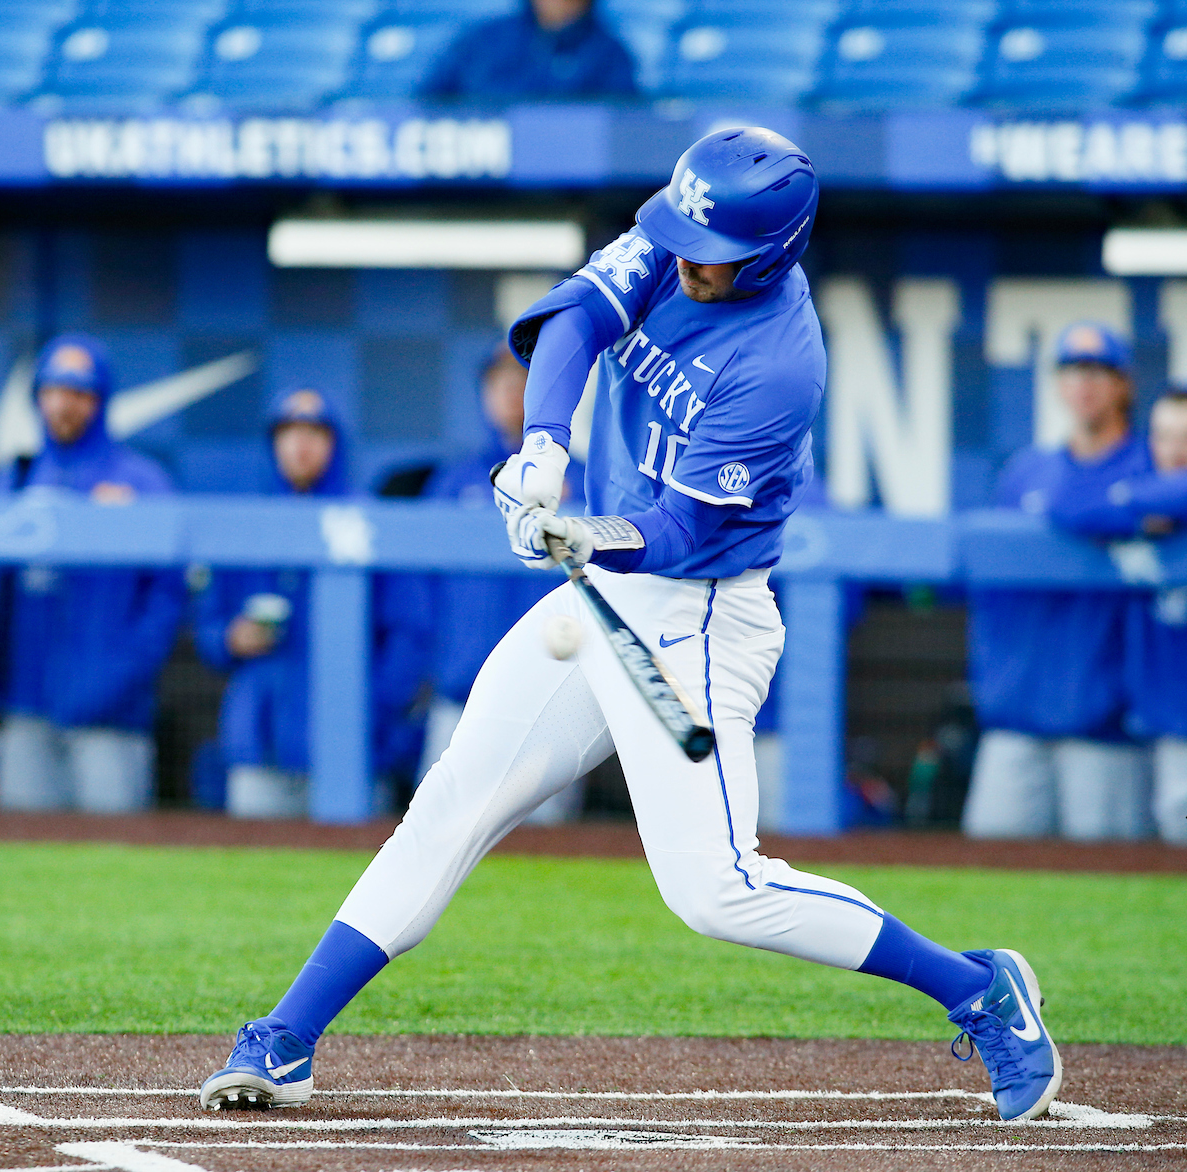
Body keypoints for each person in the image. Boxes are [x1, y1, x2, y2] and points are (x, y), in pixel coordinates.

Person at [199, 128, 1062, 1124]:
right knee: (449, 806)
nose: (686, 260)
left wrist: (586, 535)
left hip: (700, 614)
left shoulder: (779, 365)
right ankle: (287, 1035)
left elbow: (683, 530)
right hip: (602, 601)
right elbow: (573, 320)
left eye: (712, 252)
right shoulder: (678, 235)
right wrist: (542, 449)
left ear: (771, 253)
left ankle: (978, 986)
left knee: (717, 890)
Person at [962, 322, 1152, 842]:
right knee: (991, 865)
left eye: (1098, 371)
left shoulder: (1147, 467)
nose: (1084, 383)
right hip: (1016, 716)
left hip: (1105, 726)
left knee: (1109, 873)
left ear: (1123, 384)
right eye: (1072, 370)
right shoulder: (1027, 472)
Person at [0, 334, 184, 813]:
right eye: (52, 391)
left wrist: (122, 674)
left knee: (114, 845)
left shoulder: (141, 481)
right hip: (24, 705)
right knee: (26, 847)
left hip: (110, 713)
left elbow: (168, 595)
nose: (63, 405)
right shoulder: (16, 477)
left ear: (101, 400)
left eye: (78, 393)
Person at [406, 344, 587, 822]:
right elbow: (417, 593)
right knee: (438, 830)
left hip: (551, 701)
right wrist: (432, 667)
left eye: (522, 379)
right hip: (459, 696)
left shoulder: (586, 479)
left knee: (546, 848)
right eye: (497, 381)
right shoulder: (453, 482)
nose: (509, 391)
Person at [195, 388, 363, 819]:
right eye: (288, 432)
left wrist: (372, 708)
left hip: (347, 739)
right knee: (254, 851)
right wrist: (230, 639)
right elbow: (208, 625)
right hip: (259, 732)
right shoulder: (246, 523)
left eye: (314, 433)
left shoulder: (363, 519)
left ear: (334, 443)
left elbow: (406, 633)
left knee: (353, 856)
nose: (300, 444)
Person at [1047, 389, 1187, 843]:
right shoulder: (1145, 502)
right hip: (1154, 720)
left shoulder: (1148, 494)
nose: (1176, 450)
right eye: (1165, 437)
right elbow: (1068, 505)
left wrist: (1136, 500)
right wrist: (1141, 513)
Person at [421, 0, 637, 99]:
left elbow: (621, 129)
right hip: (477, 170)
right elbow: (426, 102)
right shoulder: (484, 40)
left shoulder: (611, 55)